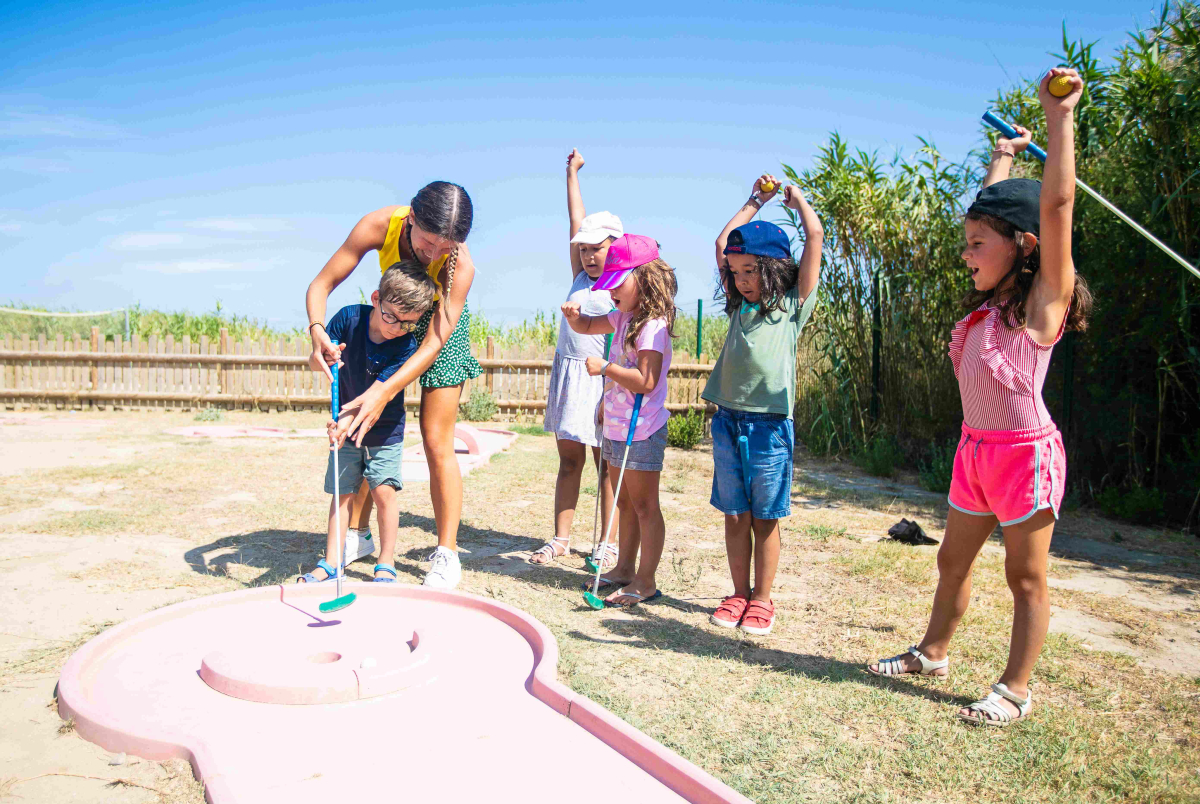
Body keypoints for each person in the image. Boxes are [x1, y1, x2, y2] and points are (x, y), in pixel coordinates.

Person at [868, 68, 1092, 727]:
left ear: (1023, 250)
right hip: (976, 454)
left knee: (1025, 579)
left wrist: (1060, 119)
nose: (965, 253)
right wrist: (1002, 158)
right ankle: (934, 652)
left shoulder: (1040, 308)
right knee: (951, 558)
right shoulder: (987, 307)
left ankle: (1016, 689)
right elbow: (998, 211)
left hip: (1024, 458)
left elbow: (1053, 210)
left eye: (976, 244)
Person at [306, 182, 480, 589]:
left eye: (446, 249)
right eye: (428, 243)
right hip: (392, 314)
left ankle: (447, 553)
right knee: (366, 430)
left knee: (437, 439)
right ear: (412, 219)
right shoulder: (378, 225)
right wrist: (317, 330)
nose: (435, 255)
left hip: (441, 328)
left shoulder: (462, 267)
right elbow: (320, 285)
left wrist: (384, 390)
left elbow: (435, 340)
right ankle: (358, 536)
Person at [703, 175, 823, 636]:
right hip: (727, 420)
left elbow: (813, 237)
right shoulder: (738, 306)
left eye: (750, 271)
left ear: (774, 268)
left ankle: (762, 600)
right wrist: (756, 201)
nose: (740, 279)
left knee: (766, 516)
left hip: (770, 426)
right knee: (736, 513)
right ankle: (737, 594)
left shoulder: (793, 306)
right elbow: (722, 242)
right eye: (736, 273)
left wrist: (796, 203)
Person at [298, 261, 437, 584]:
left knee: (383, 491)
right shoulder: (348, 319)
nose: (396, 327)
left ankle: (386, 563)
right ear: (376, 298)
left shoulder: (405, 345)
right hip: (344, 423)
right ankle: (332, 563)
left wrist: (343, 422)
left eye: (408, 323)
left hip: (384, 430)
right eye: (391, 316)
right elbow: (314, 362)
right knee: (342, 492)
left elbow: (374, 397)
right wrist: (324, 355)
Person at [561, 234, 677, 608]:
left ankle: (645, 581)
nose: (611, 294)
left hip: (640, 429)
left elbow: (646, 381)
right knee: (625, 503)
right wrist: (577, 319)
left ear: (643, 277)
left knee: (644, 506)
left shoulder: (652, 327)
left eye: (617, 285)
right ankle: (625, 568)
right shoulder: (623, 315)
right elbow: (590, 327)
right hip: (615, 424)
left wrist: (607, 369)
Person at [530, 149, 619, 566]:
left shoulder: (622, 286)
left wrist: (611, 387)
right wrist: (571, 174)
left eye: (596, 248)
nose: (588, 255)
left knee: (607, 466)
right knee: (570, 461)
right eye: (583, 249)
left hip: (603, 380)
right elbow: (575, 218)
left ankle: (606, 544)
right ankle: (561, 539)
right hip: (569, 375)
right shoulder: (579, 276)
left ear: (616, 248)